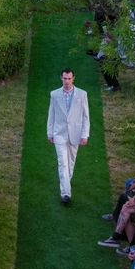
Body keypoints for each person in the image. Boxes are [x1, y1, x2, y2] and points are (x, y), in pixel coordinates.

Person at [46, 68, 90, 204]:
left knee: (70, 163)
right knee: (63, 164)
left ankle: (66, 183)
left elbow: (86, 116)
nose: (67, 81)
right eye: (65, 78)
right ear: (61, 78)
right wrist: (50, 132)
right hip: (59, 134)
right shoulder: (54, 94)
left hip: (75, 134)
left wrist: (85, 135)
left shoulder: (82, 94)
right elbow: (51, 114)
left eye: (69, 78)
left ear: (73, 78)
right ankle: (65, 193)